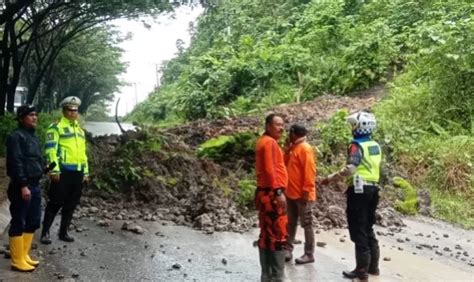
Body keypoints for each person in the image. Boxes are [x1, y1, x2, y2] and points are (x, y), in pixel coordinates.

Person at [320, 111, 382, 280]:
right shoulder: (375, 145)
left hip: (359, 190)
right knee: (368, 226)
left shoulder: (356, 145)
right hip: (374, 189)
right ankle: (373, 267)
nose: (351, 128)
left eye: (353, 125)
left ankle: (361, 270)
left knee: (358, 228)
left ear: (358, 127)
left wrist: (331, 178)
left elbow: (351, 168)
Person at [40, 96, 89, 244]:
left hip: (78, 172)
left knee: (71, 203)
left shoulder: (80, 131)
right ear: (64, 110)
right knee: (55, 202)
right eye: (70, 109)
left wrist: (86, 172)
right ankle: (45, 232)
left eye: (75, 110)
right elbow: (51, 150)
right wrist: (54, 170)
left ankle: (63, 232)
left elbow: (83, 154)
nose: (73, 112)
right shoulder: (55, 127)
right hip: (63, 171)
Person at [5, 105, 43, 272]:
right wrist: (23, 185)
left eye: (35, 115)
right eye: (30, 115)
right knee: (19, 221)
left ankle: (24, 255)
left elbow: (33, 160)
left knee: (33, 220)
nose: (34, 118)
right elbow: (16, 162)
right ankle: (16, 260)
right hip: (22, 186)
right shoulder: (16, 137)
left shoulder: (33, 137)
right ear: (21, 118)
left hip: (34, 184)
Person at [255, 113, 289, 281]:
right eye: (277, 124)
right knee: (278, 233)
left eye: (282, 124)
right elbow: (270, 170)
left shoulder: (264, 141)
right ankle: (277, 276)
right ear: (268, 126)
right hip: (271, 194)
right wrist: (278, 192)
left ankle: (267, 275)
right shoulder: (269, 143)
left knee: (267, 234)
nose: (281, 128)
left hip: (265, 193)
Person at [284, 124, 316, 264]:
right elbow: (285, 164)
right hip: (291, 192)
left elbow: (310, 171)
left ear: (293, 133)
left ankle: (309, 254)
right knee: (290, 222)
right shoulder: (294, 148)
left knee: (307, 224)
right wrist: (286, 149)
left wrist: (306, 191)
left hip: (302, 194)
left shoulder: (305, 148)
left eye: (289, 133)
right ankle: (288, 250)